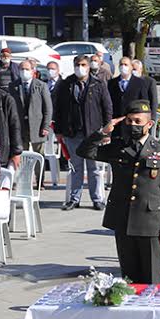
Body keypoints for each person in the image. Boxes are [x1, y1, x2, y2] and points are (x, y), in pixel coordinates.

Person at [78, 100, 160, 284]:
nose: (133, 126)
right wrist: (102, 132)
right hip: (123, 218)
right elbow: (84, 151)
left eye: (137, 122)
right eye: (129, 121)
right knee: (129, 278)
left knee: (150, 277)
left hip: (149, 220)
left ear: (149, 124)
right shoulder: (119, 147)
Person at [53, 55, 112, 210]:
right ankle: (74, 198)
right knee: (76, 167)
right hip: (72, 132)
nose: (81, 67)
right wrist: (59, 131)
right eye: (78, 64)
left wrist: (106, 132)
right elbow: (58, 109)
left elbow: (107, 109)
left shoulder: (98, 84)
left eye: (83, 64)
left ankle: (97, 199)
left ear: (88, 66)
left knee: (93, 168)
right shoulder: (66, 84)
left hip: (93, 133)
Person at [10, 59, 52, 183]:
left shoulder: (41, 85)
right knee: (21, 154)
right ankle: (23, 180)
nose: (24, 72)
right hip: (20, 126)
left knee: (39, 154)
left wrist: (45, 126)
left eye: (27, 69)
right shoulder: (13, 86)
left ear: (33, 71)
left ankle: (40, 180)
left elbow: (48, 108)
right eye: (22, 69)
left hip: (37, 126)